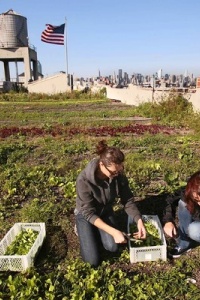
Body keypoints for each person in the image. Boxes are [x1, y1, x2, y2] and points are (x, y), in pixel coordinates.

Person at [74, 140, 146, 267]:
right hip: (86, 215)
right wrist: (113, 232)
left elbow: (127, 199)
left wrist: (138, 220)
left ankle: (96, 229)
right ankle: (82, 228)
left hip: (105, 211)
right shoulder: (83, 180)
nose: (115, 175)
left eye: (118, 171)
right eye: (113, 172)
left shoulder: (117, 174)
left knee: (112, 247)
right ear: (102, 165)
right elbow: (88, 212)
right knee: (92, 261)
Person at [163, 170, 200, 258]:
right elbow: (169, 200)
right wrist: (168, 221)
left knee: (194, 230)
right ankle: (184, 243)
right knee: (183, 202)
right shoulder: (189, 192)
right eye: (197, 199)